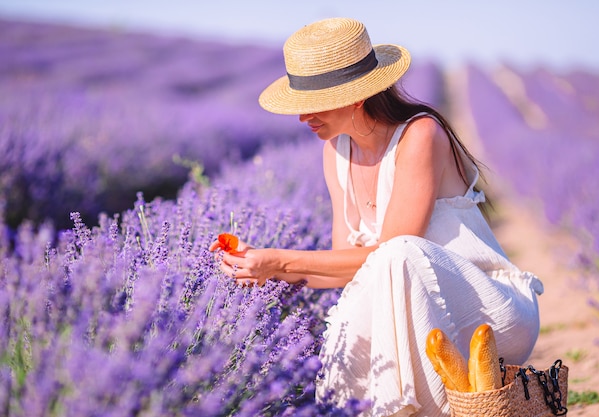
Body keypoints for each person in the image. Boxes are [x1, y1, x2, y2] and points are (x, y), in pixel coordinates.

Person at [210, 17, 543, 417]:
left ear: (354, 96)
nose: (303, 118)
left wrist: (282, 258)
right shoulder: (335, 153)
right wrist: (262, 266)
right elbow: (351, 273)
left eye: (312, 105)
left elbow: (393, 251)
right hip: (422, 324)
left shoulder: (421, 135)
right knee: (360, 304)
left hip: (489, 318)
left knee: (398, 253)